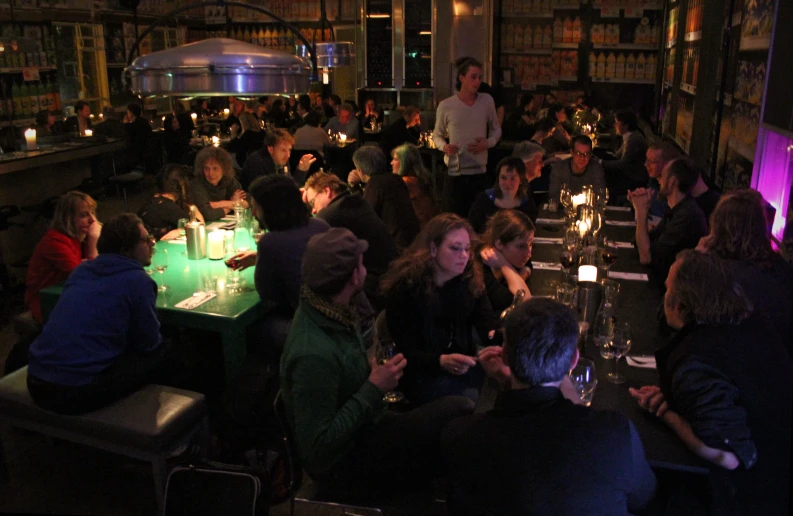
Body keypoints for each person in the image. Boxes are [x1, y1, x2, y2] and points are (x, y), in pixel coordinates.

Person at [280, 228, 475, 499]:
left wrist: (369, 379)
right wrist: (373, 387)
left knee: (460, 418)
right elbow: (317, 451)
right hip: (345, 462)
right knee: (461, 412)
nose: (365, 268)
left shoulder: (328, 310)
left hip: (368, 425)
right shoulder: (313, 353)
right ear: (353, 276)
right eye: (361, 264)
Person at [444, 298, 656, 516]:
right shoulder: (615, 433)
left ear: (505, 355)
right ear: (574, 360)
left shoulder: (461, 437)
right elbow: (644, 497)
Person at [631, 250, 791, 515]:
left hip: (753, 495)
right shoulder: (751, 323)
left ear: (681, 305)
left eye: (668, 288)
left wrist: (667, 413)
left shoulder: (695, 359)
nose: (664, 295)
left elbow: (725, 455)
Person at [26, 214, 163, 415]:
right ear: (126, 249)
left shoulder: (82, 271)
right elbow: (149, 344)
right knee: (170, 354)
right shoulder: (137, 280)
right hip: (74, 392)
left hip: (36, 380)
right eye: (145, 240)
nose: (152, 243)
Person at [381, 213, 499, 405]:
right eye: (455, 248)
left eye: (467, 249)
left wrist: (497, 341)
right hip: (421, 373)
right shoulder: (406, 288)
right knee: (472, 401)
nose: (464, 256)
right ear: (433, 249)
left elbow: (488, 326)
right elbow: (404, 351)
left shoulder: (469, 279)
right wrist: (440, 361)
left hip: (462, 365)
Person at [228, 175, 330, 361]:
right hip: (345, 321)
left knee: (249, 329)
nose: (253, 214)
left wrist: (267, 259)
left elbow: (268, 295)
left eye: (256, 208)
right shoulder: (320, 225)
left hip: (317, 334)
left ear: (270, 209)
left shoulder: (270, 242)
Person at [696, 189, 793, 359]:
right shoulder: (782, 267)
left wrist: (696, 261)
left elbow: (679, 321)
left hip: (740, 372)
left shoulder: (721, 275)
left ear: (718, 227)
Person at [303, 172, 399, 309]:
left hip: (374, 286)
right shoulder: (355, 201)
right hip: (392, 276)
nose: (313, 209)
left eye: (312, 201)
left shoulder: (328, 215)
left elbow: (309, 247)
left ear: (326, 191)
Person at [432, 56, 502, 217]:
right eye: (473, 77)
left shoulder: (486, 101)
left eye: (479, 77)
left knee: (479, 219)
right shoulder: (446, 105)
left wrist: (488, 143)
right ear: (461, 78)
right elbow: (437, 135)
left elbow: (496, 130)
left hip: (479, 171)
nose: (477, 82)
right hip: (455, 173)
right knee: (453, 219)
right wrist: (444, 146)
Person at [24, 191, 101, 325]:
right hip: (46, 302)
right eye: (83, 215)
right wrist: (94, 240)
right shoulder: (54, 242)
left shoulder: (78, 236)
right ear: (68, 218)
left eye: (92, 213)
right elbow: (88, 276)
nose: (92, 220)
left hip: (68, 293)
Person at [630, 157, 708, 284]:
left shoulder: (687, 216)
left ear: (672, 182)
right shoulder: (676, 208)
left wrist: (641, 211)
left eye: (663, 175)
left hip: (670, 289)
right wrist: (641, 208)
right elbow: (644, 243)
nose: (659, 180)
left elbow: (646, 257)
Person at [354, 146, 420, 250]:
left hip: (396, 247)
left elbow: (366, 218)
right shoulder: (396, 179)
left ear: (360, 171)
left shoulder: (375, 184)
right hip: (414, 240)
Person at [478, 209, 534, 315]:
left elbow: (528, 264)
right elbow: (525, 303)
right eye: (521, 246)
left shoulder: (512, 255)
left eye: (531, 244)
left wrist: (521, 276)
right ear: (499, 244)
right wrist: (505, 265)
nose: (529, 253)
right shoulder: (482, 273)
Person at [468, 156, 538, 233]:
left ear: (521, 180)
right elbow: (471, 230)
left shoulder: (526, 204)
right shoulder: (483, 200)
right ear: (498, 179)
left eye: (513, 178)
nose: (507, 183)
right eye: (503, 178)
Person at [138, 164, 203, 240]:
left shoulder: (154, 199)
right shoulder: (167, 206)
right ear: (182, 184)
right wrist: (193, 208)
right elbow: (199, 226)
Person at [240, 128, 316, 190]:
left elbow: (289, 187)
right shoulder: (256, 162)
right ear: (270, 149)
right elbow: (264, 194)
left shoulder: (281, 159)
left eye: (289, 150)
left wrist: (301, 171)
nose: (288, 155)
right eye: (283, 150)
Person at [188, 146, 247, 221]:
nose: (210, 173)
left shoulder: (229, 181)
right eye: (206, 168)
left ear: (224, 169)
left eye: (215, 168)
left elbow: (247, 203)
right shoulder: (196, 184)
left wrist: (217, 204)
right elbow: (208, 215)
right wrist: (232, 204)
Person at [391, 143, 439, 228]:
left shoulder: (406, 182)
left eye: (395, 159)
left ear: (404, 162)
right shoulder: (423, 178)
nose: (391, 163)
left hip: (419, 229)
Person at [603, 109, 649, 195]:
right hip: (630, 173)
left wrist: (601, 162)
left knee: (605, 177)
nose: (614, 125)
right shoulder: (628, 137)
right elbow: (616, 155)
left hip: (635, 178)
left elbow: (622, 163)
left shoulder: (634, 140)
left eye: (617, 123)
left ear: (626, 126)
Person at [548, 135, 606, 201]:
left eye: (586, 154)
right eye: (578, 153)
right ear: (572, 152)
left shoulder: (596, 169)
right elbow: (554, 197)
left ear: (590, 155)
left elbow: (600, 197)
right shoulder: (559, 169)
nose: (582, 158)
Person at [643, 141, 679, 219]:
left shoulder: (674, 189)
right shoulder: (653, 181)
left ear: (667, 164)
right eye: (646, 159)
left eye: (651, 161)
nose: (646, 164)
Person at [122, 103, 153, 171]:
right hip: (148, 150)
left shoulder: (133, 126)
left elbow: (129, 137)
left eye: (128, 112)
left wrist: (125, 124)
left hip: (138, 152)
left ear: (131, 113)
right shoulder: (144, 122)